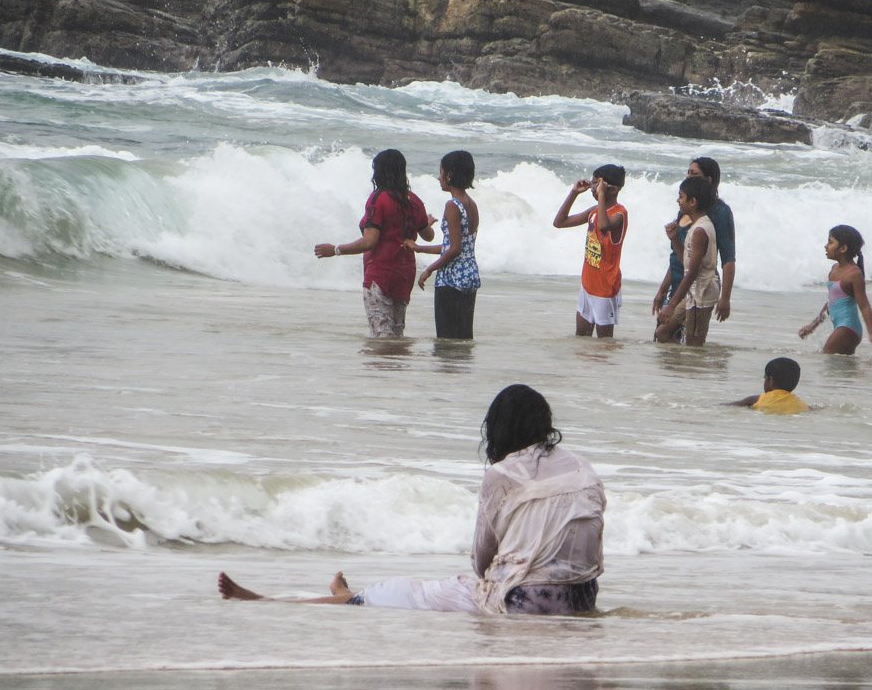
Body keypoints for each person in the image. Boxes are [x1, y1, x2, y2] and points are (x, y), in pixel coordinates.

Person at [217, 384, 606, 616]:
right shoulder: (584, 468)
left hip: (520, 603)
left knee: (408, 592)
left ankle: (275, 601)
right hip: (582, 601)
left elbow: (481, 562)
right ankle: (347, 597)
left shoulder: (500, 475)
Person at [314, 149, 435, 338]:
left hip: (381, 274)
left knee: (380, 336)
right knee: (397, 333)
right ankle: (398, 367)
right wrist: (426, 221)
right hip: (404, 275)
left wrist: (336, 250)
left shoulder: (379, 199)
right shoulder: (414, 201)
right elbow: (428, 236)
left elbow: (370, 241)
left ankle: (381, 367)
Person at [652, 157, 736, 340]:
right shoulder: (685, 211)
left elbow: (728, 258)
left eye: (694, 174)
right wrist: (663, 289)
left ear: (708, 181)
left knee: (689, 340)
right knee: (664, 336)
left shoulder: (718, 214)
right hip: (679, 283)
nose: (688, 177)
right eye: (688, 172)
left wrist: (725, 298)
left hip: (697, 286)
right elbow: (681, 256)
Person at [403, 151, 481, 340]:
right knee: (462, 338)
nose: (439, 178)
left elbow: (454, 249)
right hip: (469, 274)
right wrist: (420, 248)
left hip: (451, 279)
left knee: (446, 340)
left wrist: (429, 269)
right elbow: (457, 246)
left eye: (441, 172)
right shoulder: (471, 204)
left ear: (450, 175)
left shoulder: (452, 205)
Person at [552, 164, 628, 337]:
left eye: (597, 184)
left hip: (605, 288)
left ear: (613, 189)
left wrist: (601, 194)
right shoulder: (594, 211)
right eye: (593, 184)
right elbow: (559, 222)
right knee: (581, 339)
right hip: (588, 284)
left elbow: (603, 226)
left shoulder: (619, 213)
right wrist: (574, 193)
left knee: (604, 345)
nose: (593, 188)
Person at [798, 224, 872, 355]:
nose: (826, 246)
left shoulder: (854, 274)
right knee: (841, 368)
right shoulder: (834, 269)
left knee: (827, 358)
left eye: (830, 242)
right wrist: (813, 326)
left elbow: (864, 306)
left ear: (843, 248)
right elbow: (831, 302)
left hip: (848, 328)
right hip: (841, 327)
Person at [654, 177, 719, 346]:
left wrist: (671, 305)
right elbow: (687, 262)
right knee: (662, 333)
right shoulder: (696, 226)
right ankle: (681, 367)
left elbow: (692, 273)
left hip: (702, 292)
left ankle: (694, 369)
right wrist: (675, 239)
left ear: (693, 202)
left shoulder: (700, 230)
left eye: (681, 196)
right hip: (694, 291)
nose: (678, 200)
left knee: (694, 343)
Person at [729, 357, 810, 414]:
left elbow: (728, 406)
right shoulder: (803, 405)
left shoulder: (755, 400)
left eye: (765, 378)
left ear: (770, 380)